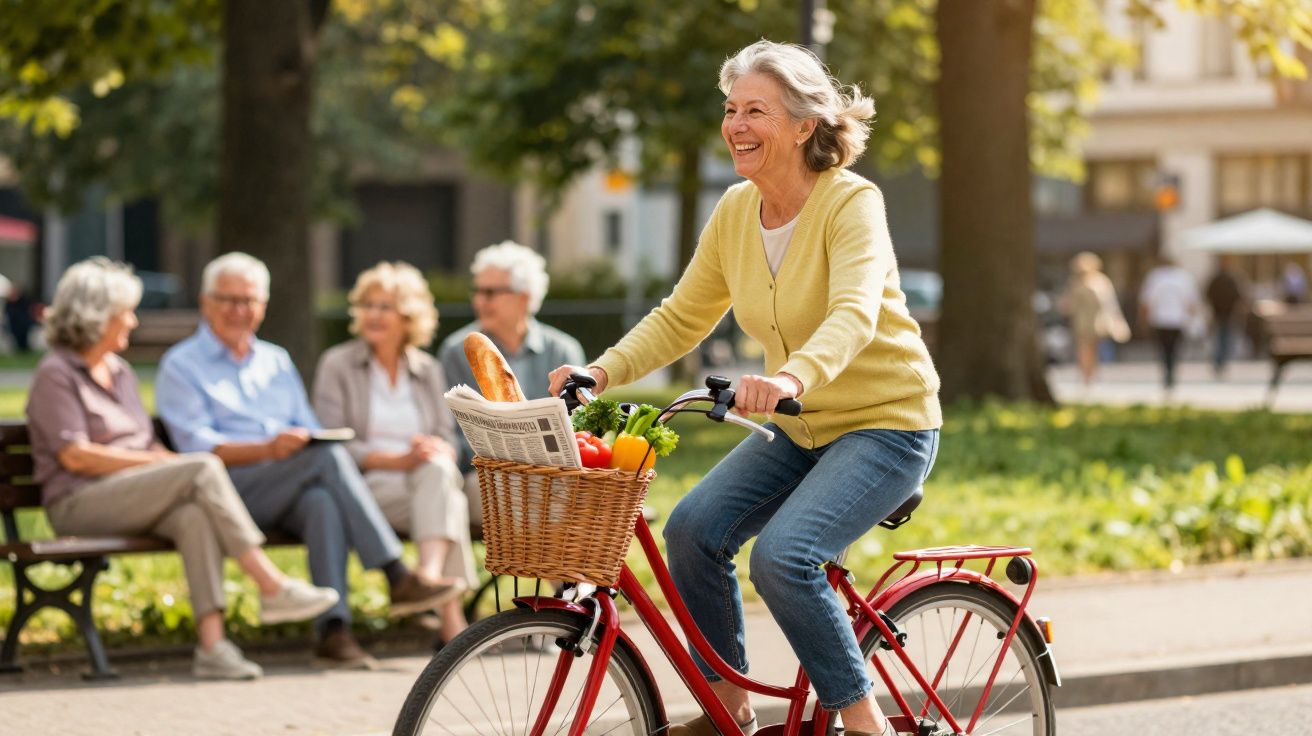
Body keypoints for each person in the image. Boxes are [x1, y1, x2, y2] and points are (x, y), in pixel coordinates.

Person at [548, 41, 940, 736]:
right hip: (798, 427)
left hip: (886, 424)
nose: (736, 125)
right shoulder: (736, 210)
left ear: (802, 125)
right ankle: (729, 711)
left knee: (784, 557)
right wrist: (601, 370)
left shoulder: (852, 202)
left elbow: (853, 313)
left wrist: (789, 377)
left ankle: (862, 721)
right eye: (731, 110)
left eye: (755, 110)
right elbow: (681, 316)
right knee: (694, 530)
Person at [25, 257, 340, 680]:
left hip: (132, 491)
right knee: (202, 467)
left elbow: (144, 441)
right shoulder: (56, 373)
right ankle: (270, 585)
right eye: (126, 313)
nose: (133, 322)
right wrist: (164, 463)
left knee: (192, 515)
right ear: (96, 316)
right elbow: (75, 456)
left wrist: (166, 462)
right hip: (79, 500)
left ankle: (212, 647)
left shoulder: (118, 372)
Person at [157, 252, 462, 669]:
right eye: (227, 300)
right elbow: (197, 449)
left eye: (249, 300)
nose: (238, 310)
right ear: (206, 302)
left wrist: (293, 445)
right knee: (327, 459)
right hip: (225, 490)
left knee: (322, 498)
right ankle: (395, 574)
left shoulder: (275, 360)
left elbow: (310, 427)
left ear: (263, 307)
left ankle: (332, 632)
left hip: (288, 481)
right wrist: (269, 448)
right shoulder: (182, 364)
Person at [313, 262, 477, 645]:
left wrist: (433, 448)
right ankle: (448, 616)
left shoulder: (428, 369)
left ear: (408, 317)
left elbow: (447, 438)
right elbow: (330, 444)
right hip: (362, 492)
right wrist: (399, 460)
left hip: (422, 490)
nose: (373, 314)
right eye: (368, 305)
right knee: (446, 494)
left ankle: (428, 578)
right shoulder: (337, 364)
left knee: (439, 471)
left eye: (385, 306)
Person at [438, 240, 585, 520]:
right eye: (477, 291)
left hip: (556, 477)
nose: (479, 301)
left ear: (524, 298)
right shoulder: (457, 351)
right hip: (486, 476)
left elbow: (578, 427)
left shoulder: (564, 351)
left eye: (491, 292)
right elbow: (452, 432)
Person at [1061, 252, 1130, 387]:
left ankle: (1088, 375)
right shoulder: (1100, 282)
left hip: (1089, 321)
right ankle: (1089, 375)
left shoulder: (1079, 283)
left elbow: (1071, 305)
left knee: (1086, 349)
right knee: (1090, 349)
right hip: (1096, 320)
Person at [1138, 256, 1203, 391]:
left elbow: (1147, 300)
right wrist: (1194, 319)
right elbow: (1192, 301)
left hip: (1160, 319)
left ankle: (1167, 372)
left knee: (1164, 349)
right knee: (1175, 349)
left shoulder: (1155, 277)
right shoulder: (1184, 278)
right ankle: (1171, 372)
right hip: (1178, 319)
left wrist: (1143, 319)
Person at [1205, 256, 1248, 378]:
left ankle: (1219, 362)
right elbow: (1239, 296)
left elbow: (1208, 294)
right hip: (1225, 313)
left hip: (1222, 313)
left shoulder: (1220, 278)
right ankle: (1220, 362)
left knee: (1221, 339)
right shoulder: (1231, 279)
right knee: (1223, 339)